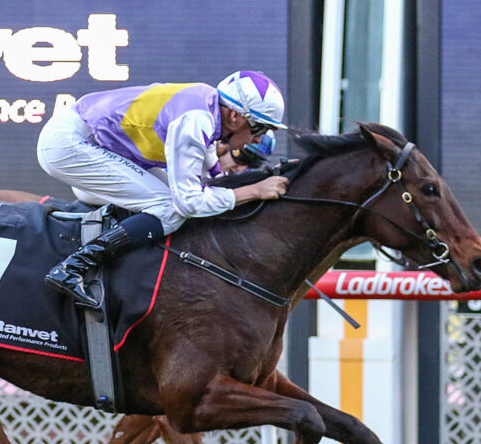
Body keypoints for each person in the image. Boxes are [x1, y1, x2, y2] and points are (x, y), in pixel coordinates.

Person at [38, 70, 291, 308]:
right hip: (71, 144)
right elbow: (189, 202)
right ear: (235, 116)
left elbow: (213, 179)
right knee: (169, 208)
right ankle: (74, 267)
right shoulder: (196, 120)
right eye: (259, 128)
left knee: (170, 202)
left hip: (88, 140)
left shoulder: (206, 107)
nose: (258, 139)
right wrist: (255, 191)